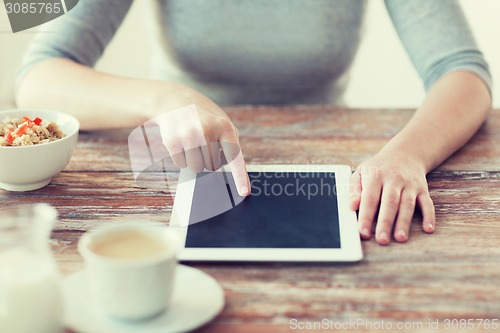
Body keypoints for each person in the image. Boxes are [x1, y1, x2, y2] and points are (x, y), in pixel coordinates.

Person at [16, 0, 492, 245]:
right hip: (174, 175)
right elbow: (39, 77)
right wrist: (167, 99)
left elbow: (464, 71)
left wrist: (407, 154)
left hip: (330, 166)